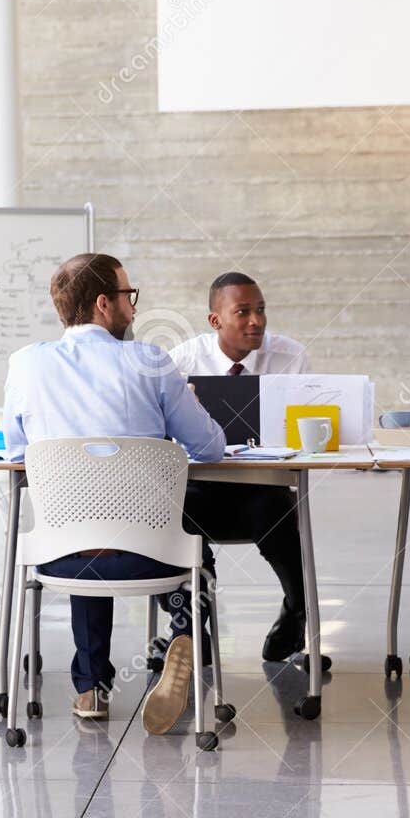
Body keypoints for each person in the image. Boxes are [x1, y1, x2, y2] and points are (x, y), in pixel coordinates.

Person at [3, 253, 225, 734]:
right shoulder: (151, 361)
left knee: (84, 529)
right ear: (104, 303)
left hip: (61, 558)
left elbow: (18, 453)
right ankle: (183, 634)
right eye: (129, 295)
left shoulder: (25, 364)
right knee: (195, 550)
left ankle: (91, 689)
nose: (134, 306)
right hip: (153, 557)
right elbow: (209, 447)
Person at [169, 271, 310, 661]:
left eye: (261, 310)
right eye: (243, 312)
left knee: (277, 514)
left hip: (262, 488)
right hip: (199, 489)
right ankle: (189, 631)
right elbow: (165, 438)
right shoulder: (182, 361)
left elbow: (302, 435)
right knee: (173, 520)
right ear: (215, 320)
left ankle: (297, 611)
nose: (257, 321)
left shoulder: (291, 356)